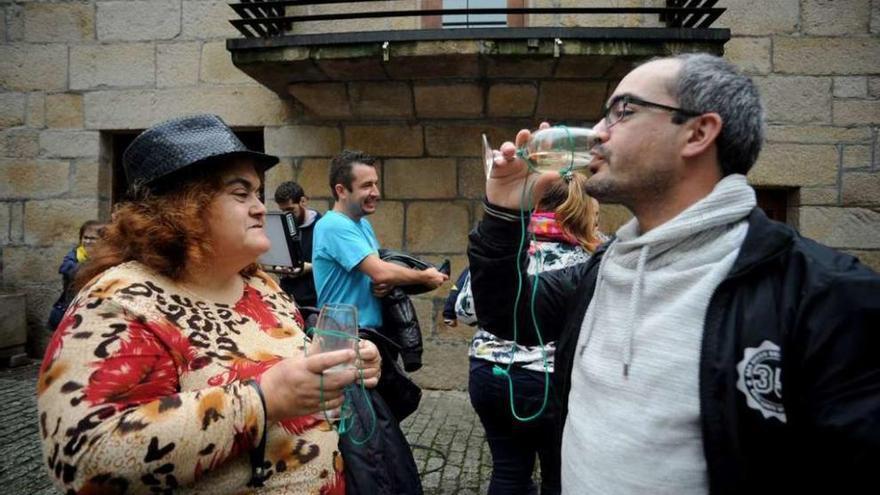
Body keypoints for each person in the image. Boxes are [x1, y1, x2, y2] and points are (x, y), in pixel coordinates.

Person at [468, 53, 880, 493]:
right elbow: (507, 314)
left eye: (623, 112)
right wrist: (504, 213)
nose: (599, 133)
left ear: (698, 132)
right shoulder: (603, 270)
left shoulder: (829, 297)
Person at [37, 115, 381, 494]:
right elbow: (85, 460)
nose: (259, 209)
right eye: (241, 193)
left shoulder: (259, 285)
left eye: (258, 194)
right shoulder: (120, 301)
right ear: (183, 205)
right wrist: (262, 401)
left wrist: (331, 360)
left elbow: (289, 359)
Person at [457, 174, 601, 495]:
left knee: (508, 471)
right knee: (558, 476)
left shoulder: (508, 246)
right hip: (551, 382)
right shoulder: (592, 258)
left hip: (490, 375)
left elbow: (466, 309)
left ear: (535, 202)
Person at [312, 149, 447, 331]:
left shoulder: (363, 225)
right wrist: (423, 276)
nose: (376, 192)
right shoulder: (333, 225)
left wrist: (385, 284)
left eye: (375, 184)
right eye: (367, 185)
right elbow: (379, 271)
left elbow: (374, 273)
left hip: (365, 333)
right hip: (341, 336)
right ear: (341, 190)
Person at [46, 219, 104, 331]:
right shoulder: (76, 254)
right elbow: (67, 269)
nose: (87, 241)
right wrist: (90, 265)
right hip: (71, 306)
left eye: (92, 238)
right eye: (85, 238)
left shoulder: (106, 257)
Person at [272, 181, 322, 309]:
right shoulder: (282, 225)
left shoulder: (322, 227)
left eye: (290, 210)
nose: (287, 216)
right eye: (283, 211)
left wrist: (308, 267)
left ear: (303, 201)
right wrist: (279, 268)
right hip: (287, 298)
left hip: (314, 301)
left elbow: (333, 263)